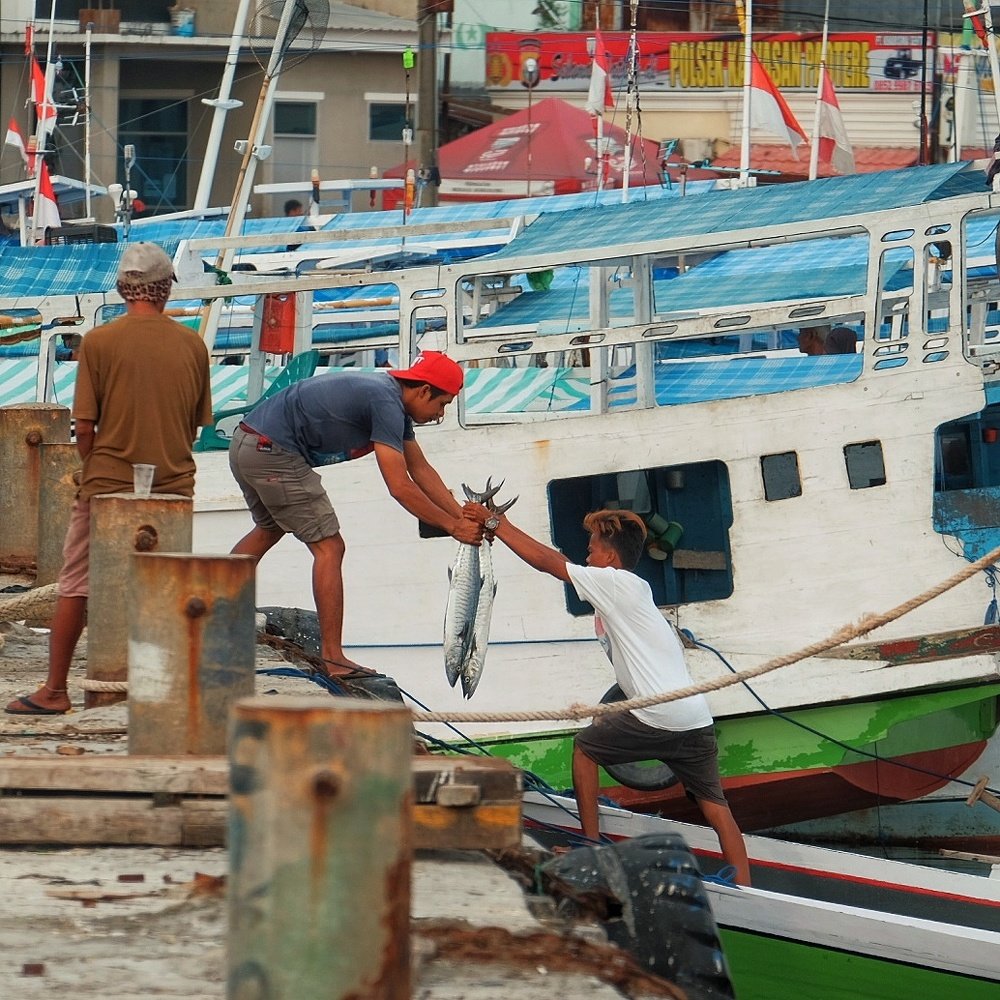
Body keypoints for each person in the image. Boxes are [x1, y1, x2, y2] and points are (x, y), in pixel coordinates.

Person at [463, 505, 752, 886]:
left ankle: (591, 845)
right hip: (695, 719)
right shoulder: (630, 589)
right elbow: (566, 564)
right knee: (716, 807)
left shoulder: (616, 584)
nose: (587, 556)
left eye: (593, 549)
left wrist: (498, 525)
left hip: (658, 716)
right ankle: (744, 884)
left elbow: (551, 563)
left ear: (610, 559)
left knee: (586, 748)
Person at [6, 242, 213, 715]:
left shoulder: (98, 342)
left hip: (105, 485)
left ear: (124, 289)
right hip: (174, 486)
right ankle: (165, 692)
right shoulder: (193, 345)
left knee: (76, 582)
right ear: (164, 292)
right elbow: (195, 427)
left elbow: (83, 428)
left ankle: (56, 691)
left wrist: (98, 466)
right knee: (166, 585)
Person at [227, 350, 482, 680]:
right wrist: (452, 526)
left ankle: (218, 610)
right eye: (442, 404)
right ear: (423, 391)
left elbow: (420, 469)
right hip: (272, 451)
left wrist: (461, 516)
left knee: (269, 527)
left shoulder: (388, 397)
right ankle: (333, 658)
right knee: (330, 548)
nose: (439, 414)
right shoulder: (386, 403)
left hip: (247, 443)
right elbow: (400, 486)